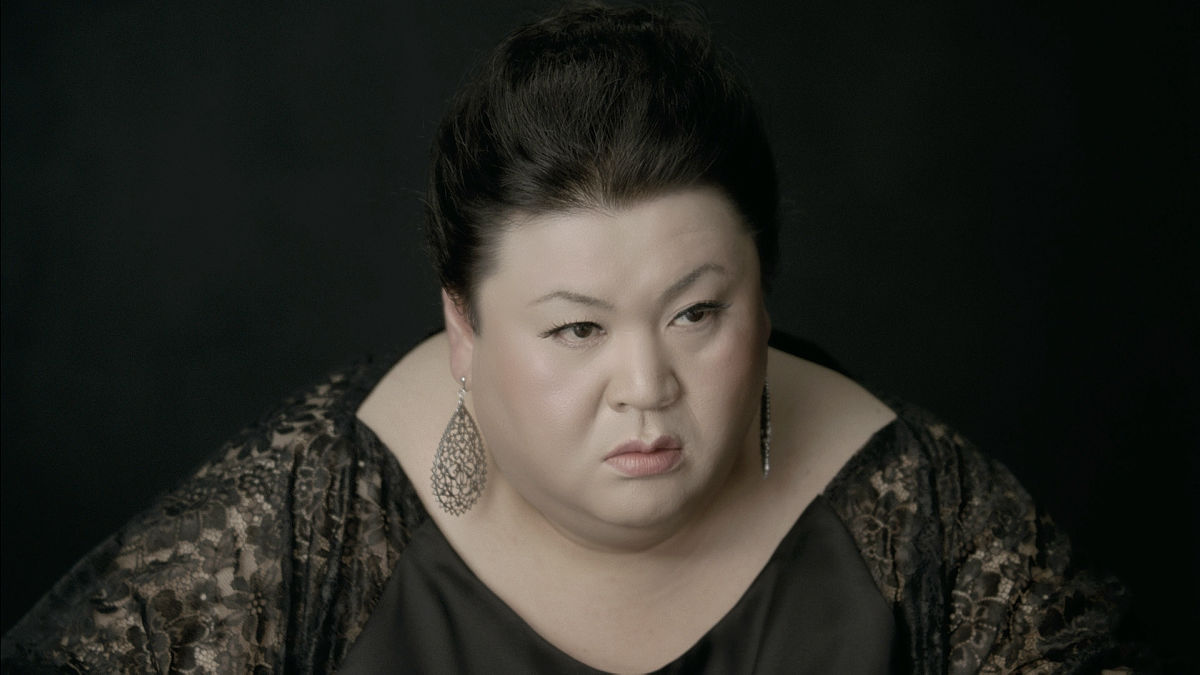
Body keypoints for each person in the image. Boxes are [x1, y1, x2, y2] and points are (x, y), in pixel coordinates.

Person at [1, 4, 1148, 673]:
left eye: (696, 314)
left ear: (763, 292)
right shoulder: (311, 519)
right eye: (576, 328)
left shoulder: (930, 521)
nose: (646, 386)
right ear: (463, 328)